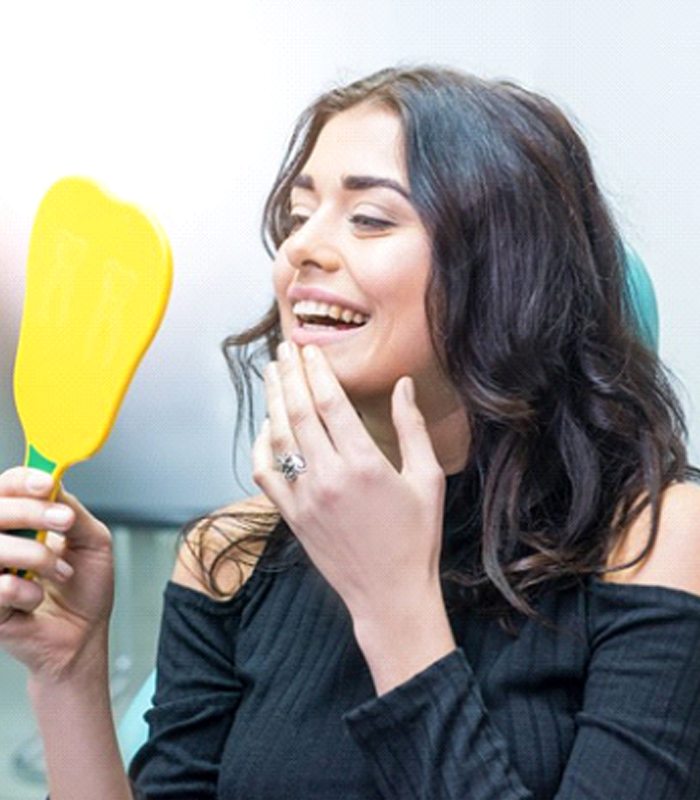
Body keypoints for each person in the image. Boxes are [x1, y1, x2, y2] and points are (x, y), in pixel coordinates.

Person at [1, 65, 700, 800]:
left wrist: (392, 603)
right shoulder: (228, 555)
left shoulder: (652, 540)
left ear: (508, 271)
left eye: (369, 218)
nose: (302, 249)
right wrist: (68, 675)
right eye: (299, 216)